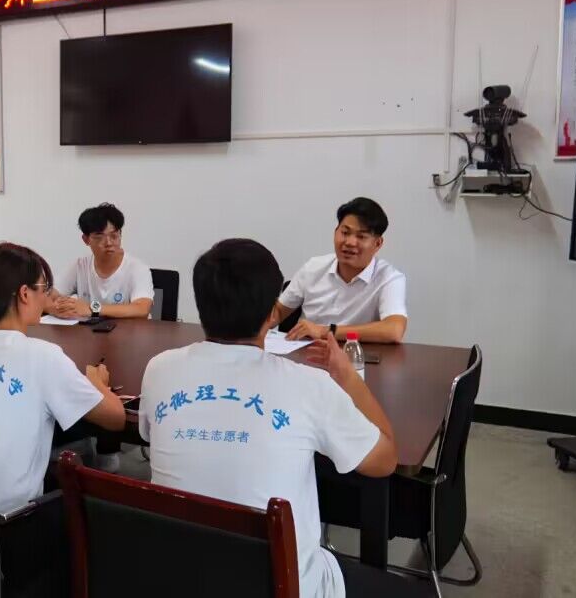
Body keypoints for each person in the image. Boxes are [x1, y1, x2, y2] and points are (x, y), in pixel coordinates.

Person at [139, 238, 398, 598]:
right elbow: (385, 460)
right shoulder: (310, 385)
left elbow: (149, 435)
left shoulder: (159, 369)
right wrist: (349, 378)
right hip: (282, 585)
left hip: (178, 577)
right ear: (271, 315)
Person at [0, 242, 125, 512]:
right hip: (12, 517)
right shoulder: (43, 355)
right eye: (43, 288)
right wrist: (97, 383)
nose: (47, 297)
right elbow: (116, 418)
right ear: (25, 294)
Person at [269, 197, 407, 344]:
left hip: (354, 354)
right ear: (335, 232)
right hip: (305, 351)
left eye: (361, 236)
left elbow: (394, 330)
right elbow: (278, 313)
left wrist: (325, 331)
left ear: (377, 243)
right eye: (345, 232)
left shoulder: (389, 278)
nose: (350, 242)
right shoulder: (313, 268)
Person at [50, 203, 154, 320]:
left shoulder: (137, 268)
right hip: (89, 330)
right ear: (86, 240)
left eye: (114, 236)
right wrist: (59, 308)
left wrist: (92, 309)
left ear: (120, 234)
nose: (108, 243)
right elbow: (47, 297)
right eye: (99, 237)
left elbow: (141, 309)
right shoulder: (80, 266)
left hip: (128, 331)